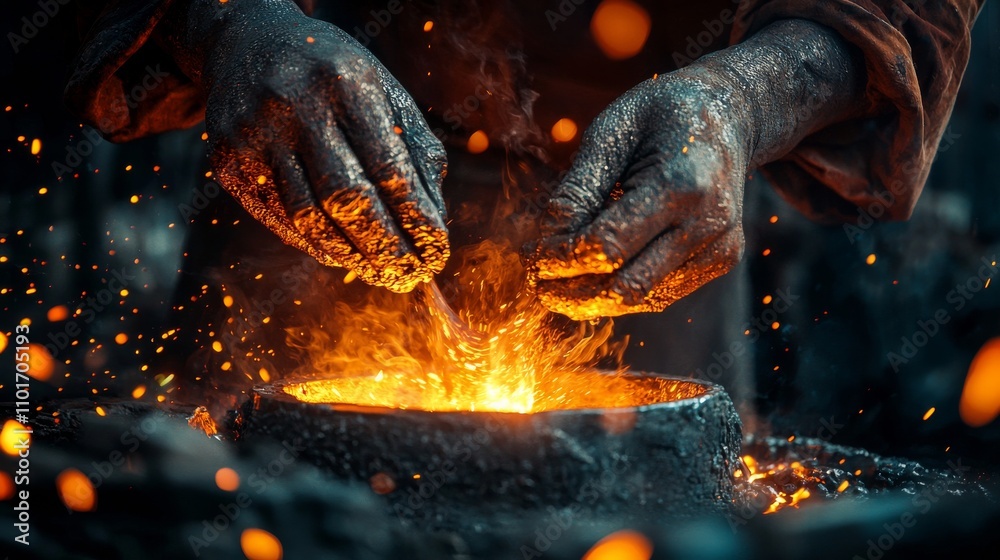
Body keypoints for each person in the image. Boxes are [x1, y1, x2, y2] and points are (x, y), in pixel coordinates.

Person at [64, 0, 984, 322]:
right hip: (303, 149)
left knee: (649, 494)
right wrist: (221, 19)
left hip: (655, 202)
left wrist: (741, 100)